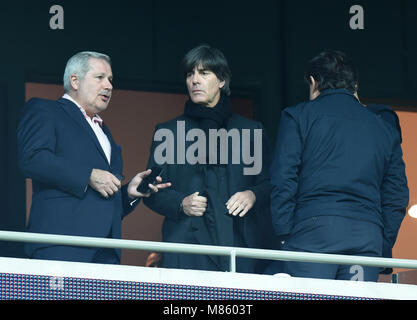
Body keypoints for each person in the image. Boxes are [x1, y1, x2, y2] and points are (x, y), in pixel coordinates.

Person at [17, 51, 170, 264]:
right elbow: (31, 159)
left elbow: (103, 201)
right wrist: (88, 175)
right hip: (61, 244)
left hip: (107, 251)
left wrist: (129, 194)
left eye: (110, 80)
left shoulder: (106, 133)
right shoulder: (46, 110)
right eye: (100, 78)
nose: (108, 85)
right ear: (75, 81)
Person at [270, 50, 409, 281]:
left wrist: (285, 232)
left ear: (314, 82)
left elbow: (284, 177)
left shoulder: (297, 116)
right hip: (367, 234)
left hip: (313, 231)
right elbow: (396, 194)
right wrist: (381, 240)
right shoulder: (383, 127)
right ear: (354, 85)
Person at [143, 44, 274, 273]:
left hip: (239, 246)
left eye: (204, 73)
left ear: (221, 81)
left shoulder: (251, 130)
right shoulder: (169, 131)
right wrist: (180, 203)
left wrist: (253, 195)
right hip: (185, 248)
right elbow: (150, 191)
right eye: (190, 74)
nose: (195, 80)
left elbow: (272, 184)